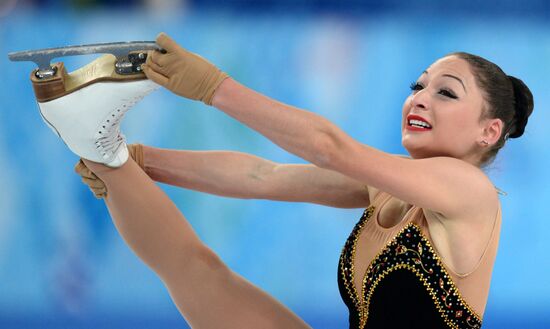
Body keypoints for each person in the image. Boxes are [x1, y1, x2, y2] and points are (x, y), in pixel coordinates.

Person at [67, 33, 533, 328]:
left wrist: (215, 88)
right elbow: (262, 175)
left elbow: (330, 146)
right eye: (418, 86)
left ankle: (106, 153)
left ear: (488, 132)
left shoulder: (469, 190)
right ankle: (102, 148)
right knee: (199, 272)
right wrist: (142, 160)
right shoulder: (388, 186)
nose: (420, 99)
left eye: (446, 92)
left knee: (200, 273)